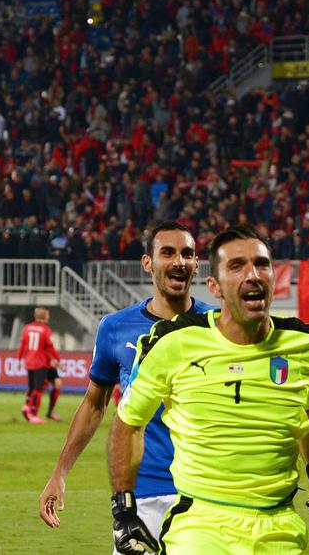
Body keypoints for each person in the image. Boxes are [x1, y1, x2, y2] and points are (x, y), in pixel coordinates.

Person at [108, 224, 309, 553]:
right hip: (201, 525)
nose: (253, 274)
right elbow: (129, 420)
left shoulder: (305, 345)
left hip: (280, 528)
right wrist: (123, 509)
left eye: (261, 264)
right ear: (215, 286)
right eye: (236, 266)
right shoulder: (171, 341)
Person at [38, 221, 217, 545]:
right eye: (168, 252)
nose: (179, 261)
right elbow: (94, 404)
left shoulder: (218, 327)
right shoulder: (115, 328)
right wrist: (60, 473)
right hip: (141, 496)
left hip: (207, 496)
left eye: (187, 254)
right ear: (148, 263)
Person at [18, 307, 59, 423]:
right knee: (38, 388)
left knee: (33, 387)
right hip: (41, 362)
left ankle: (27, 407)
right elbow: (50, 347)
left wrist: (20, 359)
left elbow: (22, 345)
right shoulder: (45, 330)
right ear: (45, 317)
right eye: (48, 315)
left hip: (29, 361)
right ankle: (33, 413)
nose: (49, 317)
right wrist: (57, 359)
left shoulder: (27, 328)